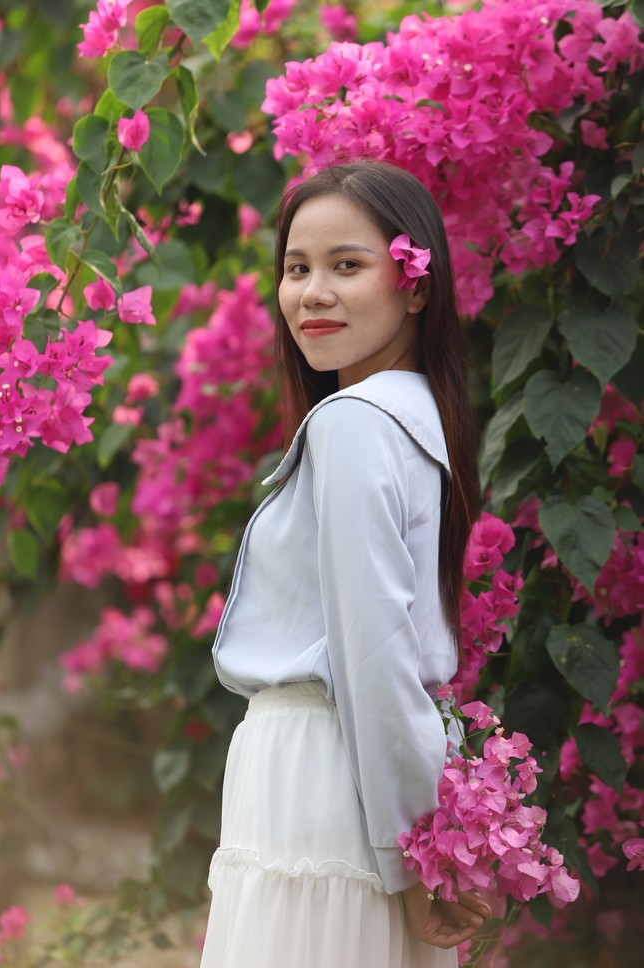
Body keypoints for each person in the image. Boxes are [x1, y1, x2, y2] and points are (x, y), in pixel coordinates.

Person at [199, 160, 492, 968]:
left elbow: (375, 659)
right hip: (367, 783)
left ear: (416, 286)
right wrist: (422, 844)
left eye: (346, 266)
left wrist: (408, 867)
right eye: (296, 269)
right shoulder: (417, 417)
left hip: (323, 778)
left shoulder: (353, 423)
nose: (312, 293)